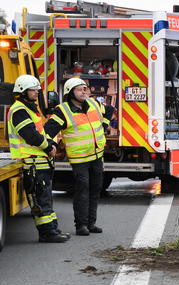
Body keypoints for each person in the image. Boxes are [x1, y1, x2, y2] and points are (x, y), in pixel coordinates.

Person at [44, 78, 114, 236]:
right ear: (70, 93)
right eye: (79, 89)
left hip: (97, 156)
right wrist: (50, 145)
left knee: (96, 188)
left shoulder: (94, 104)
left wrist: (104, 125)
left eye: (85, 88)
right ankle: (81, 225)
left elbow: (109, 110)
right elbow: (47, 131)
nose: (84, 91)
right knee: (83, 189)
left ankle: (91, 223)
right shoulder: (63, 110)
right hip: (79, 159)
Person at [8, 74, 69, 243]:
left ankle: (53, 229)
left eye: (37, 89)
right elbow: (30, 135)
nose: (37, 93)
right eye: (33, 90)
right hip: (33, 161)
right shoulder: (19, 110)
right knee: (41, 199)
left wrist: (50, 143)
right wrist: (49, 147)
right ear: (22, 91)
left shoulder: (29, 109)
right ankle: (47, 234)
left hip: (40, 162)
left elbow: (40, 133)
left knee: (46, 198)